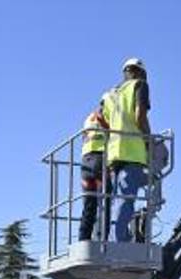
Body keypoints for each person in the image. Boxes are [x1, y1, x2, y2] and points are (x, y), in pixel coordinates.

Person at [103, 57, 151, 242]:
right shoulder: (140, 85)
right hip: (133, 151)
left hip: (114, 153)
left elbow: (105, 123)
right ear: (141, 73)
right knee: (126, 199)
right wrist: (149, 138)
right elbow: (140, 116)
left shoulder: (111, 94)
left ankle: (111, 236)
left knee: (116, 199)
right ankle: (119, 240)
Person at [78, 105, 111, 241]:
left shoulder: (88, 118)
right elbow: (110, 130)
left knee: (89, 204)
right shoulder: (103, 116)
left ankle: (83, 237)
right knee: (105, 201)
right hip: (99, 158)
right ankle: (103, 238)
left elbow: (84, 136)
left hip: (86, 162)